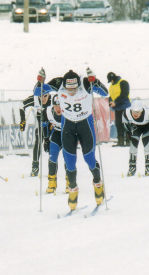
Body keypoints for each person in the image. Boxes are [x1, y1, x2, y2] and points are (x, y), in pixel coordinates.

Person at [50, 69, 108, 211]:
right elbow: (37, 91)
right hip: (68, 126)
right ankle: (73, 188)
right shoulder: (58, 83)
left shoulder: (85, 82)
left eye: (74, 89)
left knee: (89, 159)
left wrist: (95, 81)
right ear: (64, 85)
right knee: (69, 163)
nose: (71, 92)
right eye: (68, 89)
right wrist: (40, 80)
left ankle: (98, 183)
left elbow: (105, 93)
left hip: (85, 126)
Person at [122, 99, 149, 177]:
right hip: (136, 126)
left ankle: (148, 166)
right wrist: (128, 132)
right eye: (133, 112)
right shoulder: (126, 113)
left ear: (141, 111)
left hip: (148, 125)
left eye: (137, 112)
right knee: (134, 141)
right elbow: (125, 123)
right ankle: (132, 167)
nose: (135, 114)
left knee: (145, 140)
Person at [43, 93, 69, 193]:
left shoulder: (69, 111)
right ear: (52, 105)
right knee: (52, 156)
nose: (58, 109)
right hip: (56, 134)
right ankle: (52, 182)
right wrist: (46, 139)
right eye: (56, 106)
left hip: (67, 134)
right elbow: (45, 125)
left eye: (60, 106)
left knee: (67, 157)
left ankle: (69, 182)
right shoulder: (48, 111)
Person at [107, 72, 131, 147]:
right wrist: (110, 101)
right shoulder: (111, 86)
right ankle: (120, 141)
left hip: (124, 107)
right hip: (117, 108)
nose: (111, 82)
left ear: (113, 79)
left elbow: (124, 94)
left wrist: (115, 102)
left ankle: (128, 141)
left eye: (111, 80)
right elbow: (111, 95)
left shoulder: (123, 82)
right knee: (118, 125)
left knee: (126, 124)